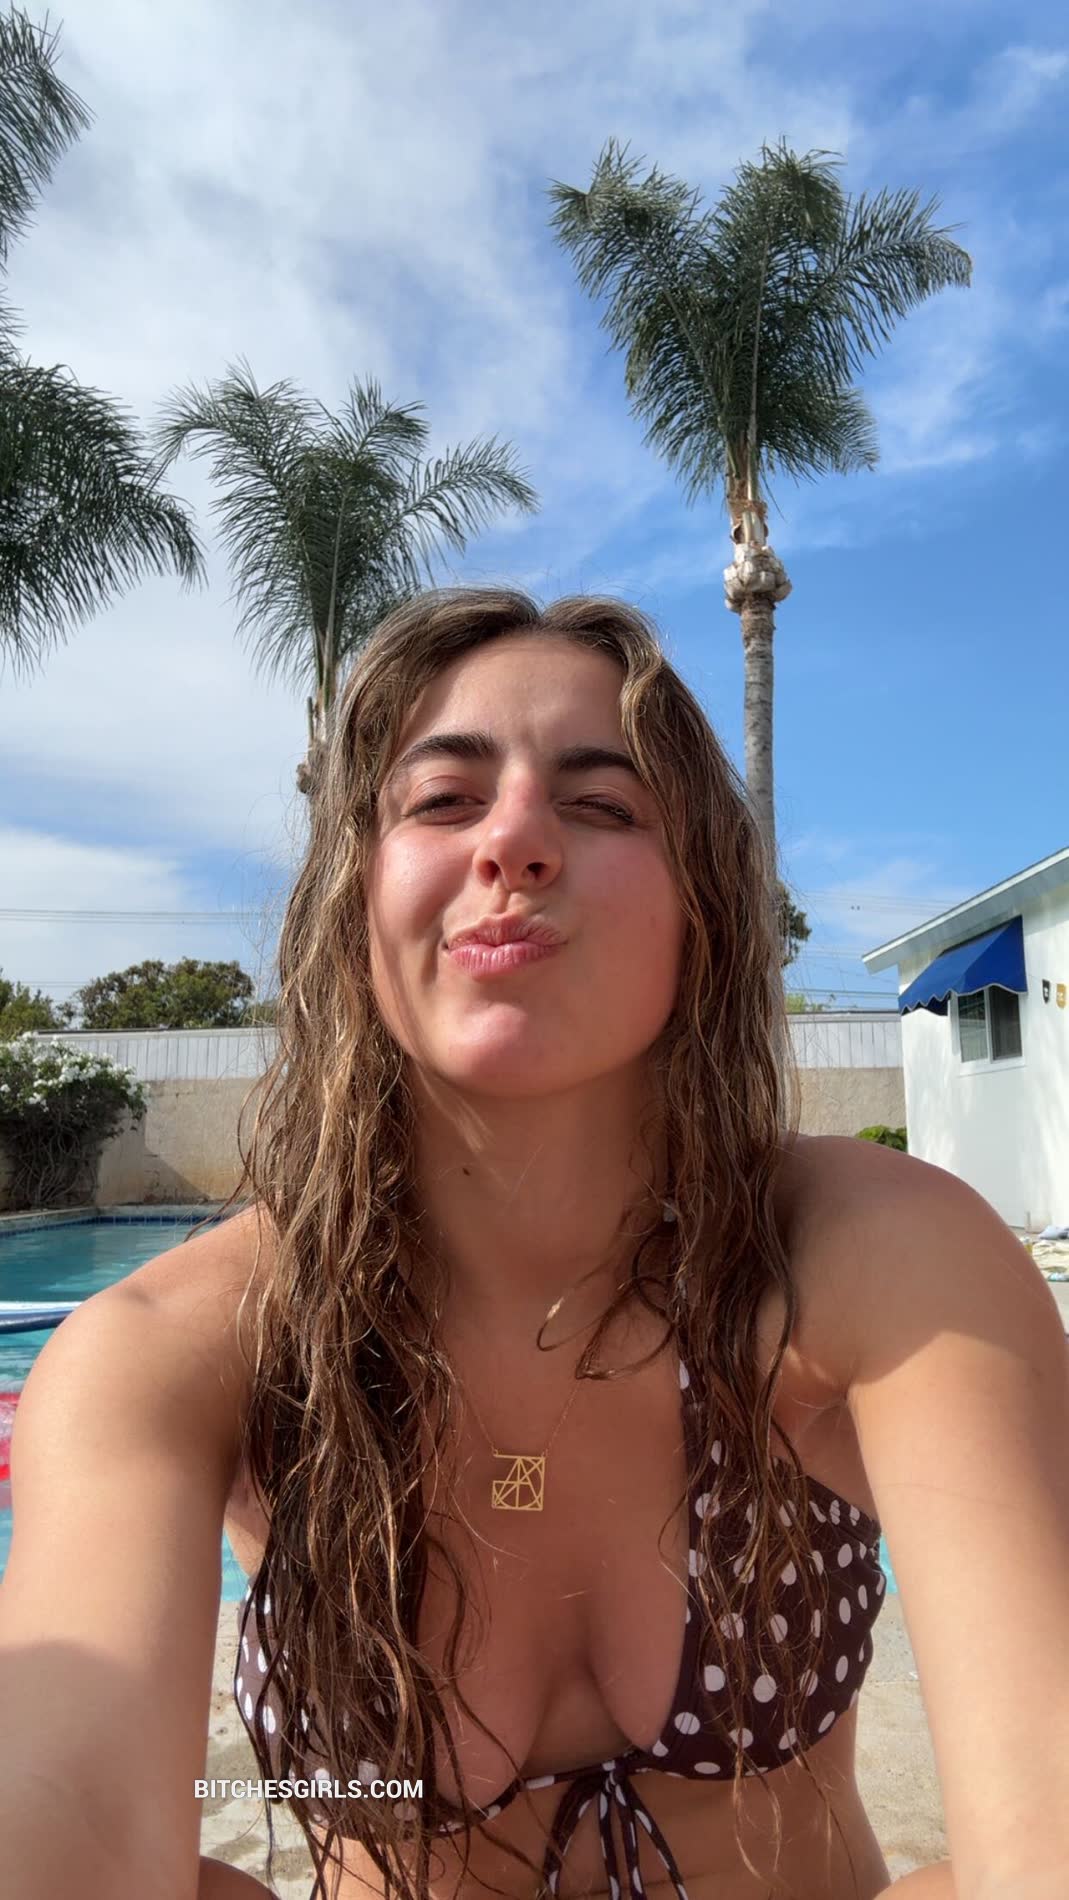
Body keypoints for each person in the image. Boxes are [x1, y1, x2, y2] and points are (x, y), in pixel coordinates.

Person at [2, 588, 1066, 1900]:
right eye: (442, 800)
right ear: (354, 899)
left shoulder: (872, 1260)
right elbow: (65, 1802)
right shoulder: (177, 1352)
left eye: (603, 805)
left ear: (701, 909)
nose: (512, 839)